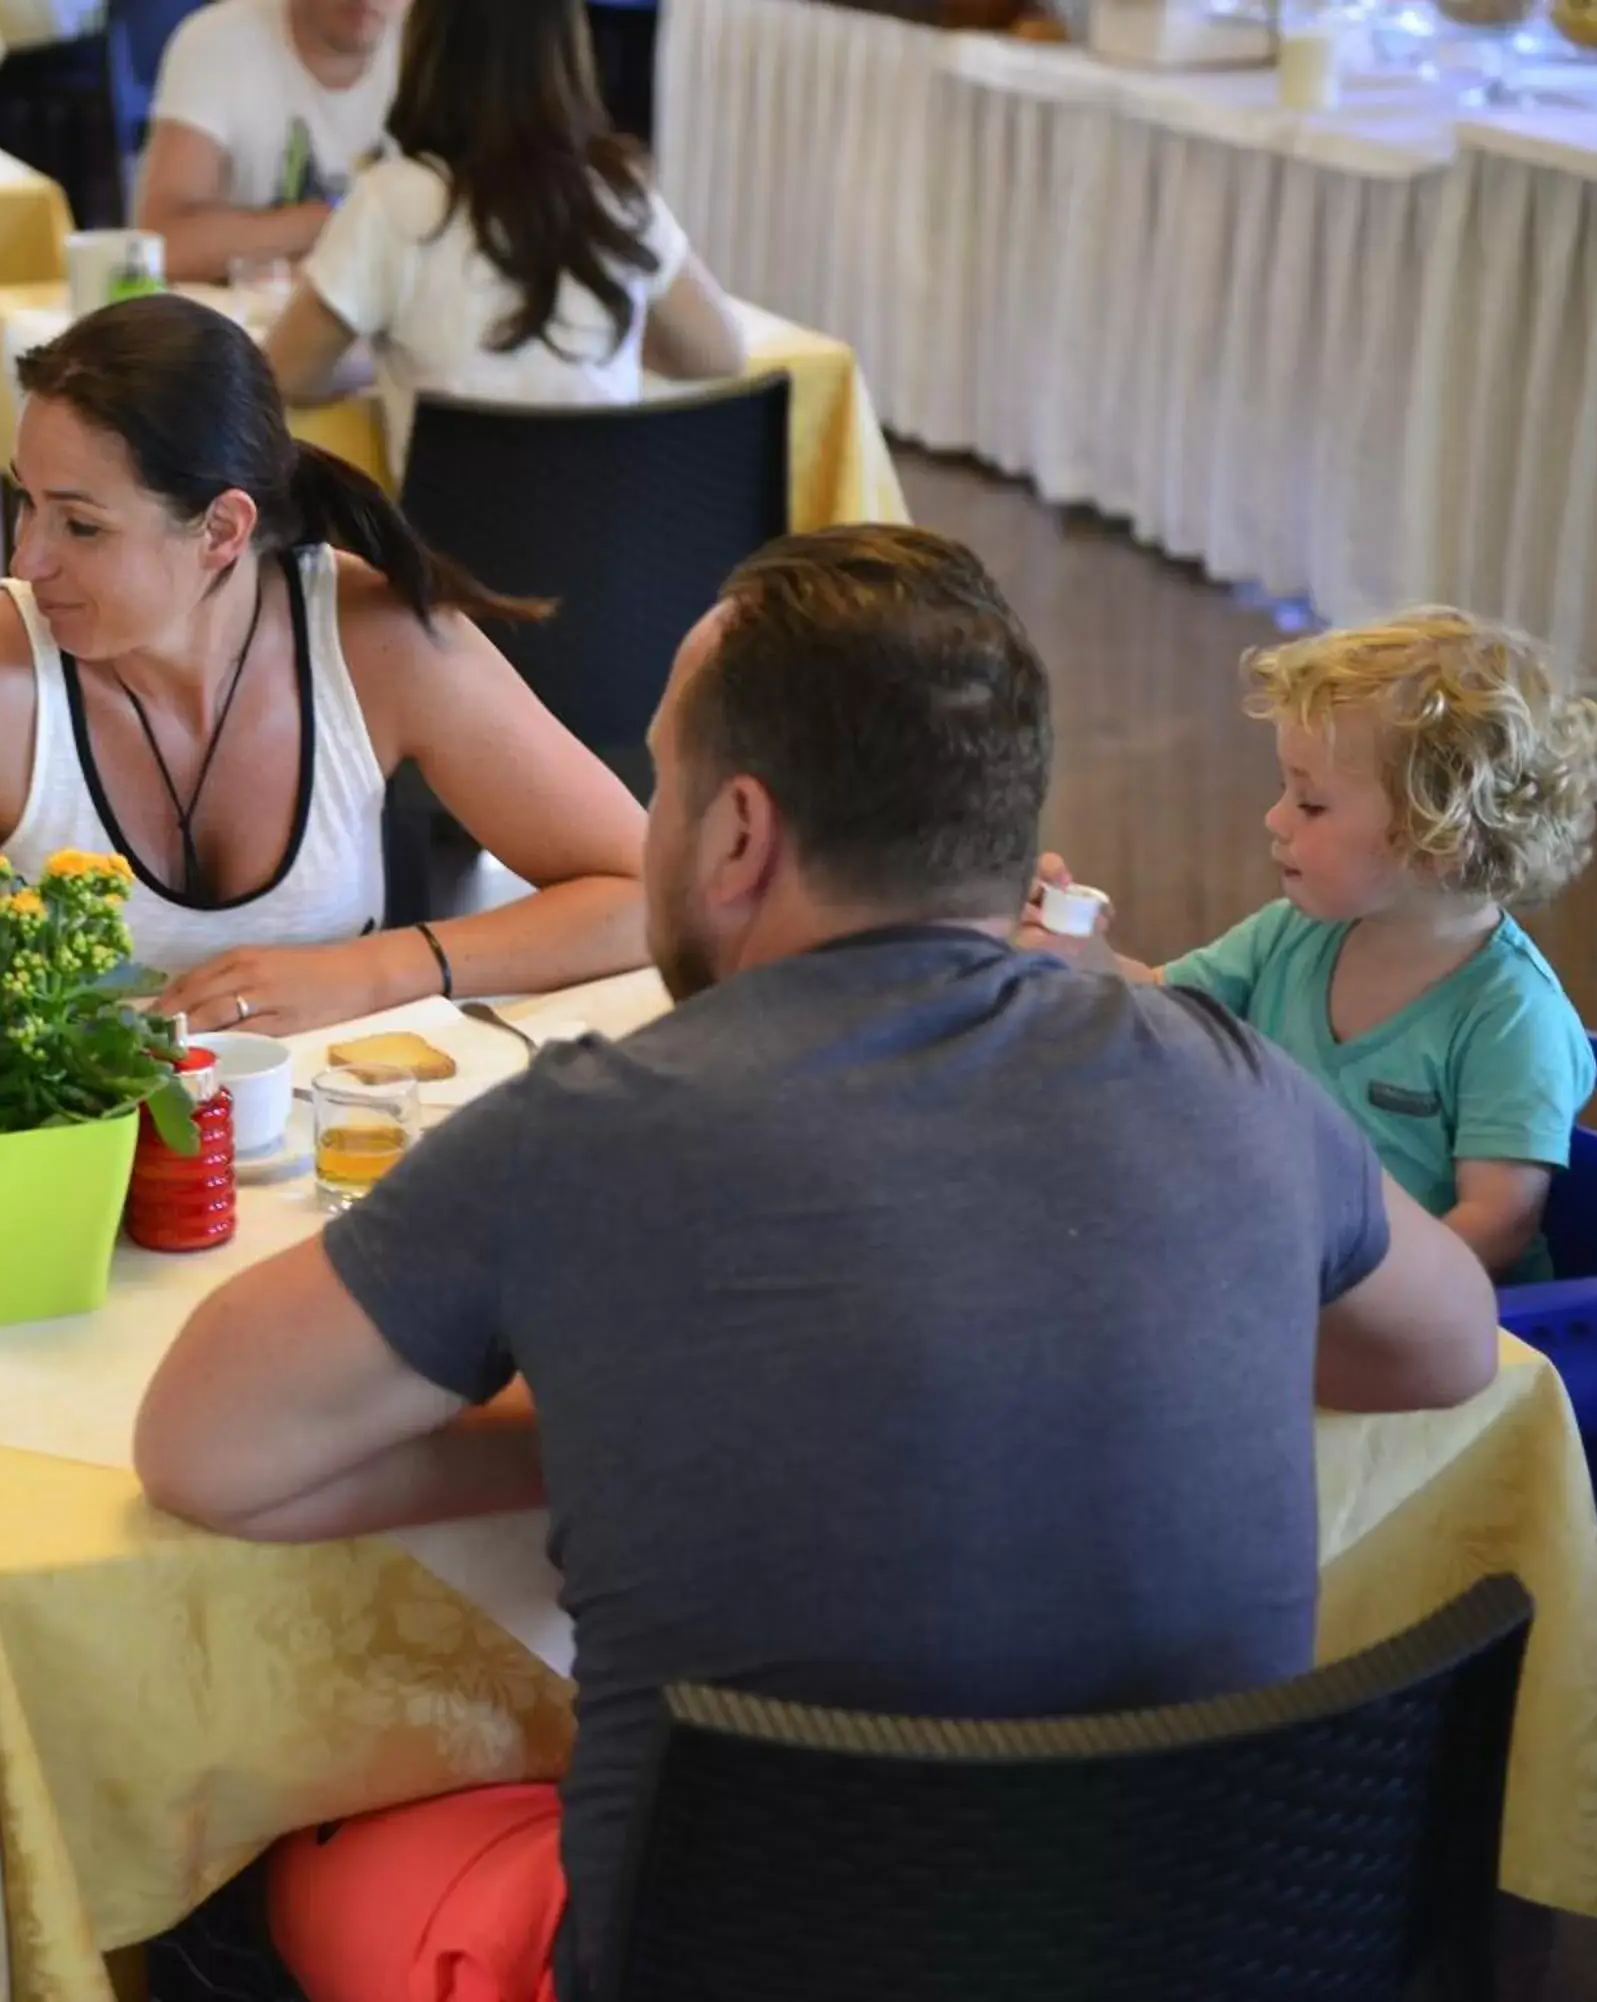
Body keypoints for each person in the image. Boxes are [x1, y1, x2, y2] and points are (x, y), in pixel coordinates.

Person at [133, 526, 1500, 2002]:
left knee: (251, 1863)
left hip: (737, 1953)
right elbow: (1450, 1347)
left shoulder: (585, 1136)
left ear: (735, 833)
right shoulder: (1233, 1084)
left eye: (658, 780)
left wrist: (617, 1415)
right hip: (1209, 1944)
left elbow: (209, 1449)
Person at [0, 293, 650, 1091]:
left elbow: (648, 894)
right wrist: (39, 1065)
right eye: (26, 502)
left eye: (81, 526)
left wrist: (378, 969)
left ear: (223, 531)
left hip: (316, 1172)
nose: (27, 558)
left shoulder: (379, 641)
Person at [1023, 610, 1597, 1282]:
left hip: (1441, 1334)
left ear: (1436, 842)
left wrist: (1349, 1298)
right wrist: (1077, 947)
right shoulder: (1294, 931)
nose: (1274, 820)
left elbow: (1497, 1225)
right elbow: (1163, 1006)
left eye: (1310, 804)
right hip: (1291, 1259)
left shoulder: (1510, 1016)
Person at [266, 0, 749, 477]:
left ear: (426, 51)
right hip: (614, 545)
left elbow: (284, 373)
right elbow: (719, 354)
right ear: (569, 54)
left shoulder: (393, 200)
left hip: (443, 547)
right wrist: (598, 342)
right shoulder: (617, 193)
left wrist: (376, 359)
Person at [136, 0, 407, 283]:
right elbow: (164, 245)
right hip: (243, 321)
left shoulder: (435, 50)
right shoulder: (218, 41)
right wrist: (333, 221)